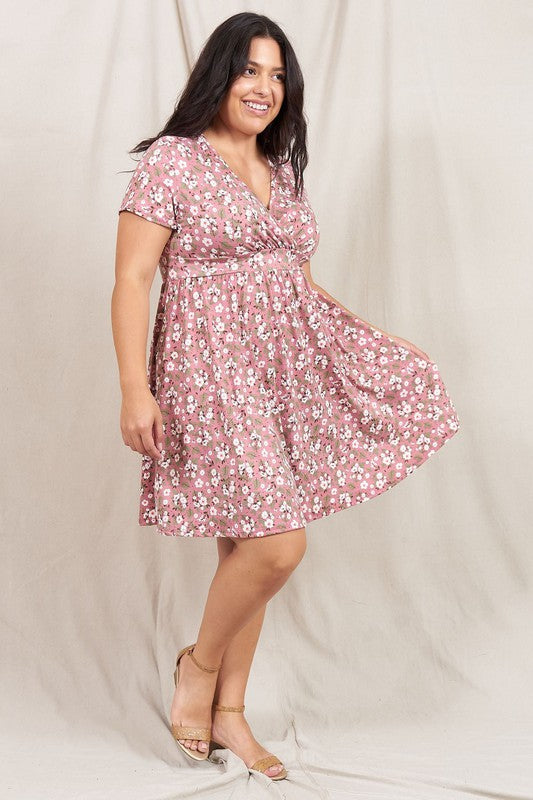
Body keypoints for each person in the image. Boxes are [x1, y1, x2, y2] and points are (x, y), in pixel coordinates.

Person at [111, 11, 460, 782]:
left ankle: (231, 712)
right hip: (209, 378)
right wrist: (135, 388)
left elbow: (292, 282)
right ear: (218, 74)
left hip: (284, 374)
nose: (264, 88)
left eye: (277, 76)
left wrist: (373, 339)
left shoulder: (282, 167)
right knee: (278, 542)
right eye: (249, 71)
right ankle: (197, 670)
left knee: (249, 545)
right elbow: (132, 277)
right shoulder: (173, 161)